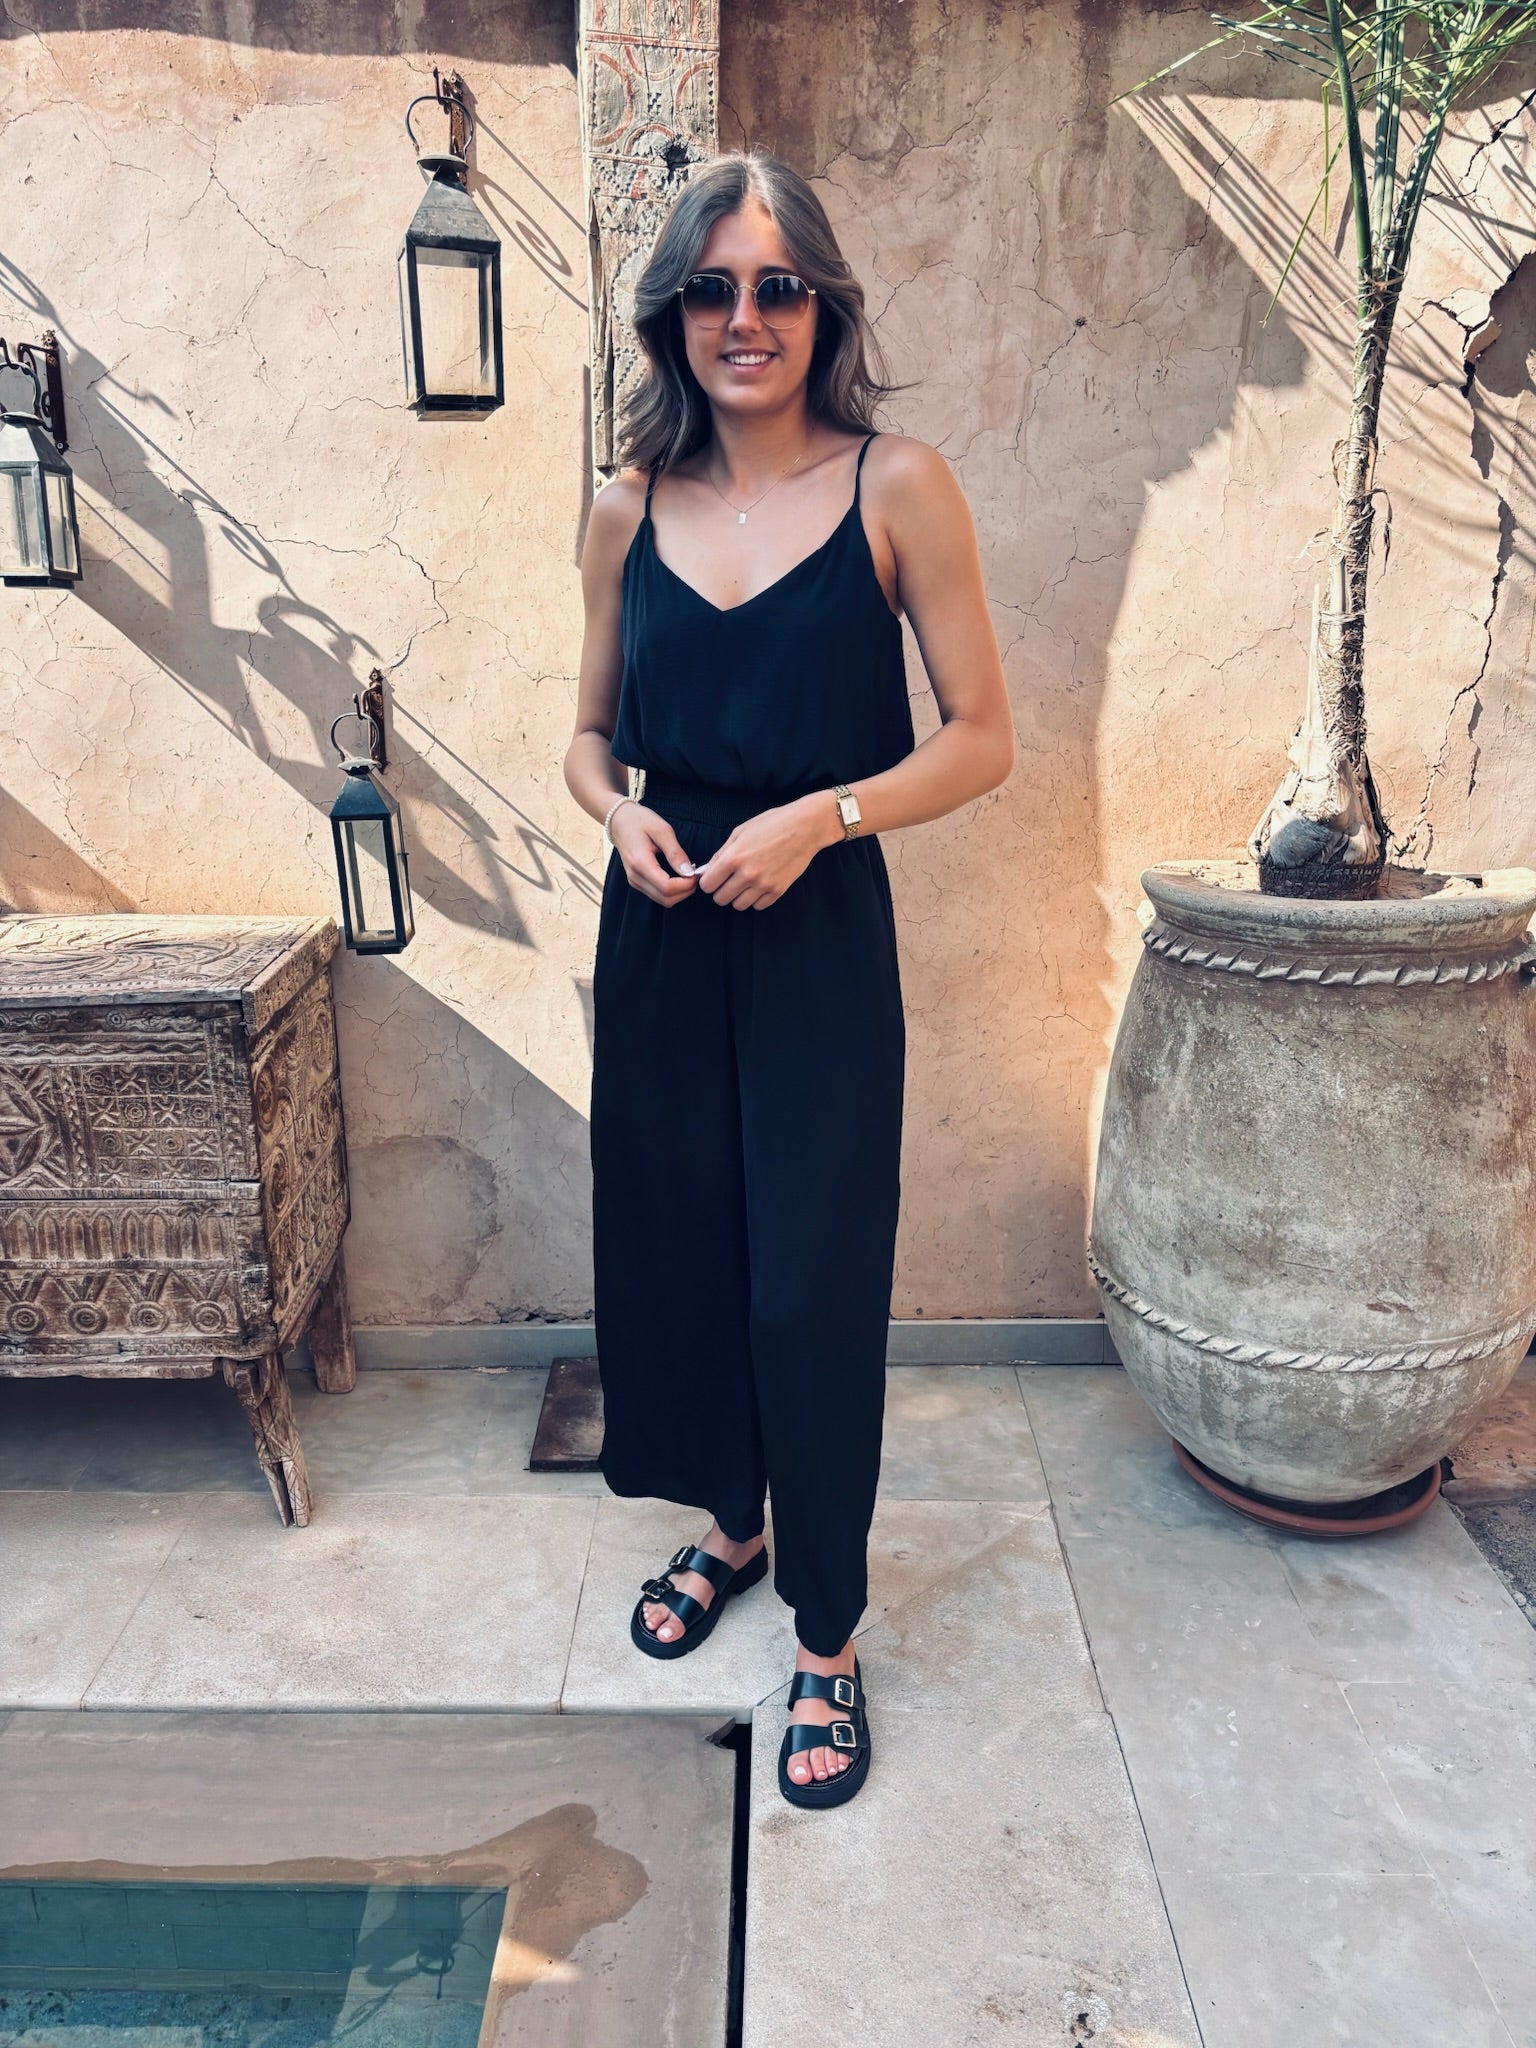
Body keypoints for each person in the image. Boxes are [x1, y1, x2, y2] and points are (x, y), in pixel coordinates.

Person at [564, 149, 1013, 1809]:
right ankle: (734, 1527)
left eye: (775, 287)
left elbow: (983, 740)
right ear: (671, 315)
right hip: (663, 928)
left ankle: (827, 1631)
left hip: (817, 930)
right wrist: (617, 815)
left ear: (822, 307)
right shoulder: (625, 505)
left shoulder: (900, 486)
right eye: (711, 288)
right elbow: (587, 733)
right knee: (684, 1258)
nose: (743, 318)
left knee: (807, 1283)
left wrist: (821, 820)